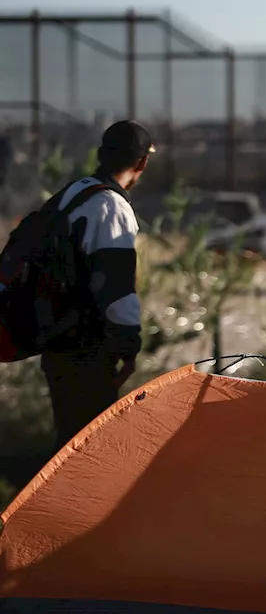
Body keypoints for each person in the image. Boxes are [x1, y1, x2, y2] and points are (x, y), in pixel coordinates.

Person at [41, 121, 151, 447]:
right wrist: (129, 344)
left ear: (102, 154)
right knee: (89, 450)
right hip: (86, 348)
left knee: (68, 445)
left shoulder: (72, 194)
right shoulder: (110, 206)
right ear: (142, 163)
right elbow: (115, 286)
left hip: (55, 339)